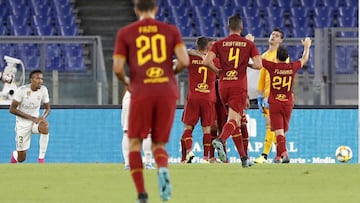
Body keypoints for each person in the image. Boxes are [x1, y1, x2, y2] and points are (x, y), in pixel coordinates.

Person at [112, 0, 189, 202]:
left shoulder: (126, 33)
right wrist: (170, 73)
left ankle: (142, 193)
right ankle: (162, 168)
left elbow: (118, 68)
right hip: (167, 91)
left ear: (136, 10)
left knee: (135, 141)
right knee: (158, 143)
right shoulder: (170, 31)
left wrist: (127, 82)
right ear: (155, 9)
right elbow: (185, 61)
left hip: (141, 89)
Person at [203, 14, 262, 167]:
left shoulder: (219, 43)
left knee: (232, 120)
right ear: (241, 28)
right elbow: (258, 65)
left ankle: (243, 158)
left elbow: (206, 61)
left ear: (228, 27)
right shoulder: (248, 44)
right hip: (238, 85)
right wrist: (245, 64)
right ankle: (220, 140)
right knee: (234, 120)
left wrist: (217, 71)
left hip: (223, 85)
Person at [261, 37, 311, 163]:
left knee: (278, 132)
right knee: (282, 131)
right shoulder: (292, 66)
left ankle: (285, 154)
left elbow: (258, 60)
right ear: (287, 57)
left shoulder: (272, 66)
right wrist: (306, 47)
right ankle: (278, 157)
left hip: (275, 103)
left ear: (276, 57)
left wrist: (250, 42)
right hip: (288, 103)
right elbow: (304, 59)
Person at [254, 28, 290, 164]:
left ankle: (265, 155)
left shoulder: (281, 56)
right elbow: (262, 77)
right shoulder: (264, 56)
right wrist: (260, 95)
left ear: (281, 40)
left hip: (277, 97)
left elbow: (284, 76)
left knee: (272, 126)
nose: (273, 37)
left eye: (277, 36)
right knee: (274, 127)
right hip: (266, 96)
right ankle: (279, 155)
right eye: (272, 34)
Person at [180, 37, 216, 164]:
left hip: (193, 97)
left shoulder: (191, 58)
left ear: (196, 45)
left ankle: (189, 151)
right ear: (208, 46)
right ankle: (206, 158)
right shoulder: (214, 59)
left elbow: (180, 52)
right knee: (206, 129)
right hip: (208, 98)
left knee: (187, 128)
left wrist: (192, 52)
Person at [9, 69, 50, 164]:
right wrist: (31, 118)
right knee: (21, 158)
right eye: (38, 78)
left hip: (35, 122)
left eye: (41, 79)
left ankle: (41, 159)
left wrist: (42, 117)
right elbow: (12, 109)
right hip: (22, 125)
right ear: (31, 79)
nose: (40, 81)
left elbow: (47, 108)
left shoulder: (43, 90)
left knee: (45, 127)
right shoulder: (22, 91)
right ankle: (15, 155)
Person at [121, 88, 154, 170]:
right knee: (147, 132)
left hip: (131, 95)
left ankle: (128, 163)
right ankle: (148, 163)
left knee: (127, 131)